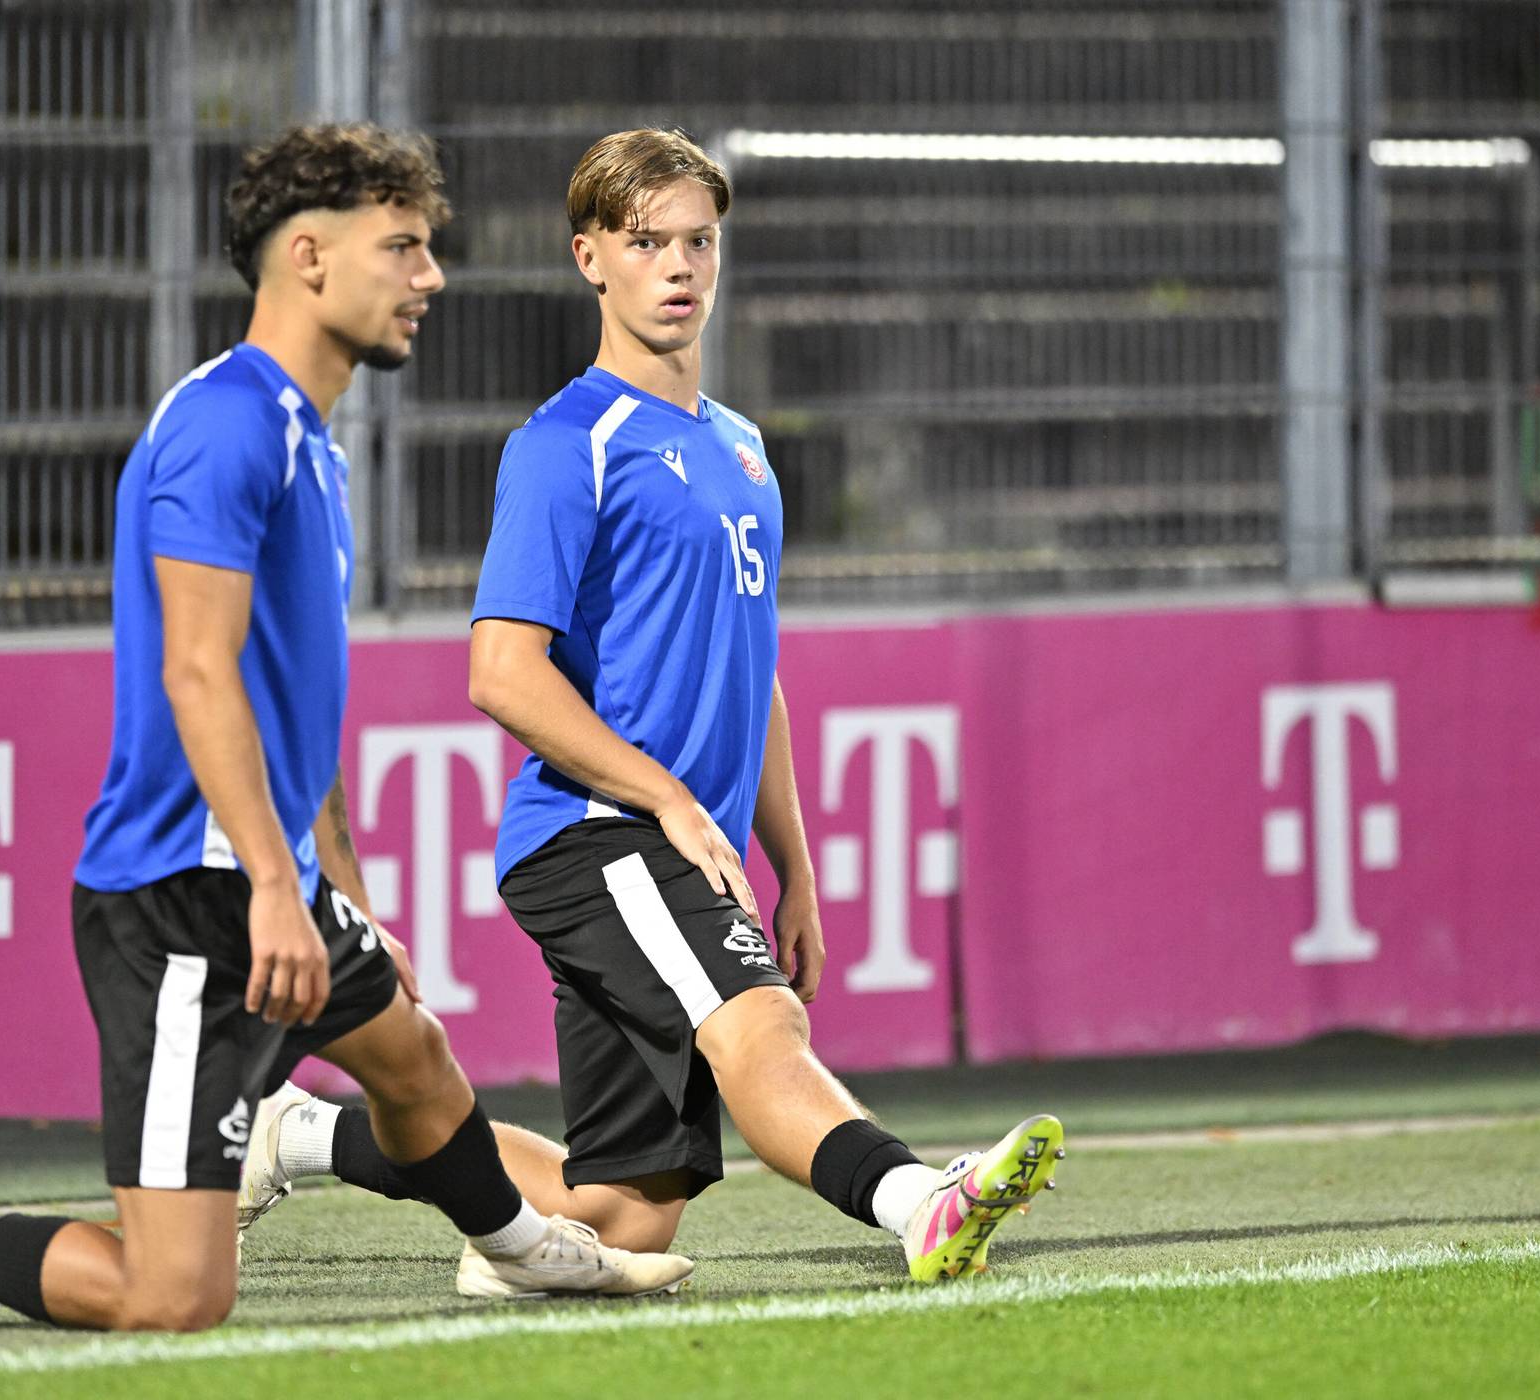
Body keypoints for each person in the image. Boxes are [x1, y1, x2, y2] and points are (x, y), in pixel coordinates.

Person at [0, 124, 693, 1333]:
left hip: (266, 873)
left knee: (415, 1061)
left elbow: (282, 705)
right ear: (310, 257)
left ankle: (532, 1250)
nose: (431, 277)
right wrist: (278, 883)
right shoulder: (224, 426)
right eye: (405, 249)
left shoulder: (307, 438)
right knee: (174, 1293)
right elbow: (199, 675)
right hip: (183, 902)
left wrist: (341, 891)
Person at [237, 128, 1061, 1287]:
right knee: (759, 1029)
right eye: (646, 242)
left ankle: (299, 1131)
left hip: (677, 837)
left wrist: (798, 869)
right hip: (597, 833)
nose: (678, 266)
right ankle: (920, 1196)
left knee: (622, 1213)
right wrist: (669, 798)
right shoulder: (567, 443)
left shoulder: (744, 448)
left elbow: (752, 669)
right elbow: (502, 671)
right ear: (590, 259)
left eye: (698, 241)